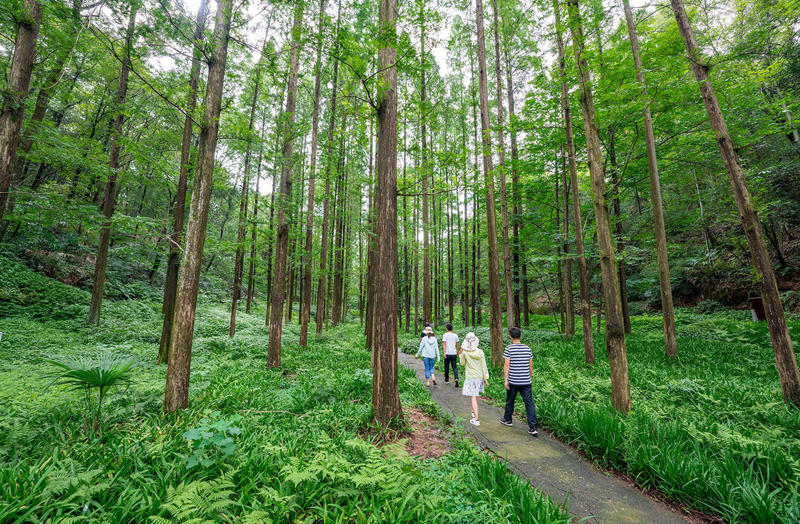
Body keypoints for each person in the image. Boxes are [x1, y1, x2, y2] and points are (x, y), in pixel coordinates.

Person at [500, 326, 538, 436]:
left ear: (511, 337)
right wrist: (529, 377)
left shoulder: (509, 348)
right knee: (529, 403)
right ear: (520, 336)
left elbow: (507, 365)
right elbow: (530, 365)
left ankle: (508, 420)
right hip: (526, 381)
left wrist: (506, 379)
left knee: (510, 400)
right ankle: (533, 427)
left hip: (513, 380)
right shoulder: (528, 349)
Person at [458, 332, 489, 426]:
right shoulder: (480, 352)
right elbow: (484, 366)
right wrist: (486, 378)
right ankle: (473, 411)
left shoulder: (465, 352)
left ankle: (476, 419)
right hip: (479, 376)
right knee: (476, 394)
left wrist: (460, 355)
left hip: (470, 376)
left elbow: (462, 363)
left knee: (472, 396)